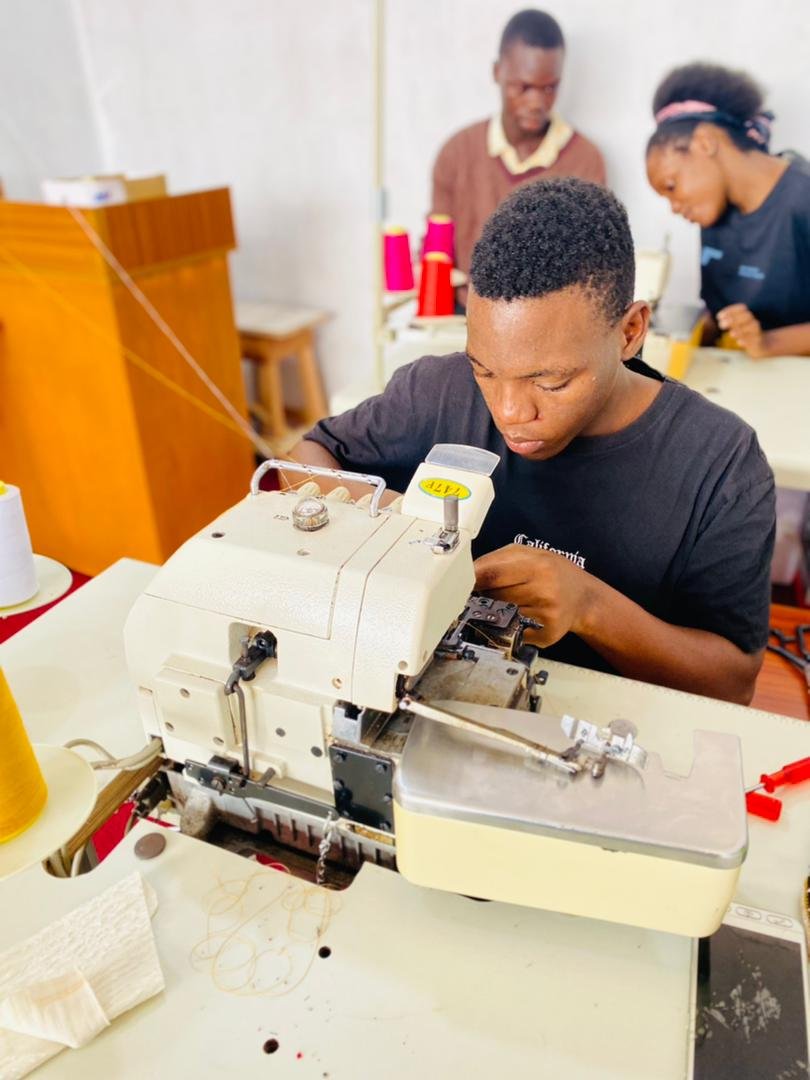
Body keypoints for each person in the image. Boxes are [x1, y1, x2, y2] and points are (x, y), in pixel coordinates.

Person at [291, 178, 775, 704]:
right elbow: (304, 460)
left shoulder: (722, 466)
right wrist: (388, 521)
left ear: (630, 331)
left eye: (551, 382)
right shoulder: (435, 391)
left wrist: (591, 607)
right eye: (486, 371)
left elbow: (732, 682)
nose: (509, 411)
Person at [646, 62, 810, 358]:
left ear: (705, 142)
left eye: (671, 186)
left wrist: (769, 342)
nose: (674, 208)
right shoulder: (713, 211)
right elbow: (720, 317)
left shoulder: (802, 198)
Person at [430, 9, 605, 284]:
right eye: (523, 87)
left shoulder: (585, 161)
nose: (537, 102)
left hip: (549, 324)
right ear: (497, 72)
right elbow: (437, 256)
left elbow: (590, 264)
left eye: (550, 88)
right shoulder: (456, 153)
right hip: (463, 316)